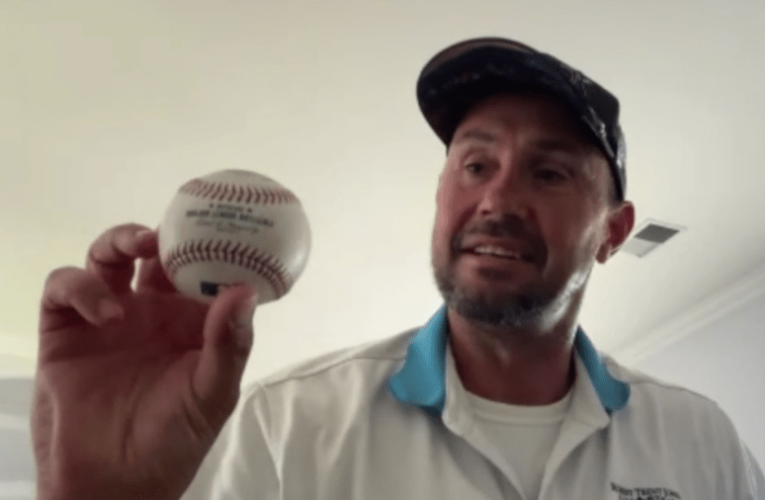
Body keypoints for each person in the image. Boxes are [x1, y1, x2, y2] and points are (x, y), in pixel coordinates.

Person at [33, 37, 763, 500]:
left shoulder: (701, 444)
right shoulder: (286, 425)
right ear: (440, 193)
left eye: (548, 173)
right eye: (474, 164)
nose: (496, 199)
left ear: (613, 232)